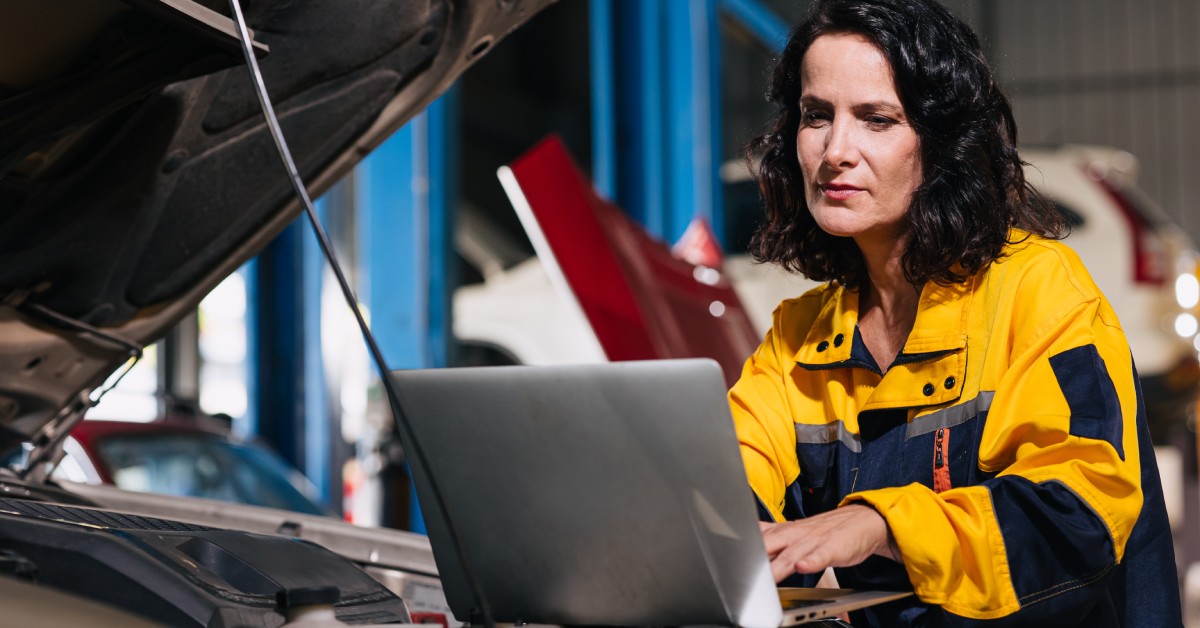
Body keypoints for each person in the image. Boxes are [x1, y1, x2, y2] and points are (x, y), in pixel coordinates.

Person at [727, 0, 1181, 625]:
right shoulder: (799, 338)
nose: (836, 149)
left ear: (941, 143)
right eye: (816, 116)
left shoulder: (1038, 291)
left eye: (877, 119)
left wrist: (881, 523)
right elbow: (724, 489)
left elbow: (1078, 518)